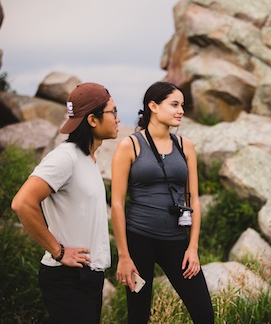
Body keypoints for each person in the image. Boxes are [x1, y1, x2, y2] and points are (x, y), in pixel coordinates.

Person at [11, 82, 120, 324]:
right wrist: (58, 251)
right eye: (113, 112)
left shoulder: (87, 159)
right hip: (67, 278)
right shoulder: (65, 157)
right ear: (92, 120)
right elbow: (22, 203)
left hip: (87, 277)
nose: (118, 119)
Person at [111, 81, 214, 324]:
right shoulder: (130, 145)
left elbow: (194, 200)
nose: (181, 111)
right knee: (138, 316)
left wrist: (193, 248)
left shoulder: (185, 146)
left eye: (182, 106)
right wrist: (124, 256)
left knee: (204, 314)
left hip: (177, 241)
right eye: (175, 104)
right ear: (153, 106)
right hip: (138, 240)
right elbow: (117, 203)